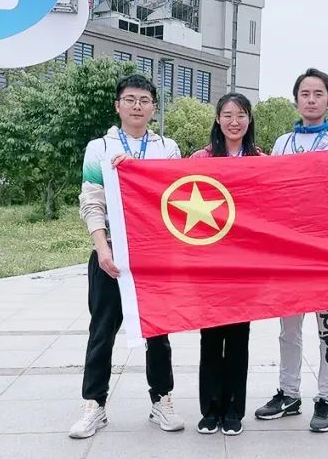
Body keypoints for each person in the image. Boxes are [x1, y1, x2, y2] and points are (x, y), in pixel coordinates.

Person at [70, 74, 185, 439]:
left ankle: (161, 399)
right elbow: (92, 200)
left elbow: (176, 197)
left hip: (154, 255)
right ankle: (94, 405)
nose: (137, 106)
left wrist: (138, 171)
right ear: (117, 105)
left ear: (154, 108)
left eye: (144, 100)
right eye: (130, 99)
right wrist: (102, 248)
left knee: (158, 331)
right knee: (102, 330)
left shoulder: (168, 148)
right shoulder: (99, 148)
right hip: (112, 253)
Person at [255, 68, 328, 433]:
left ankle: (326, 397)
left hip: (327, 254)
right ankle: (289, 392)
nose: (311, 100)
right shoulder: (283, 143)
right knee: (288, 330)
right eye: (305, 94)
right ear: (296, 100)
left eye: (318, 94)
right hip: (289, 254)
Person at [191, 93, 262, 437]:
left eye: (241, 115)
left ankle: (234, 409)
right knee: (209, 338)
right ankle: (210, 409)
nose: (235, 122)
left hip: (244, 266)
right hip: (208, 264)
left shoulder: (261, 160)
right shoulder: (199, 159)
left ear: (249, 120)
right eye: (228, 115)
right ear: (218, 119)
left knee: (238, 339)